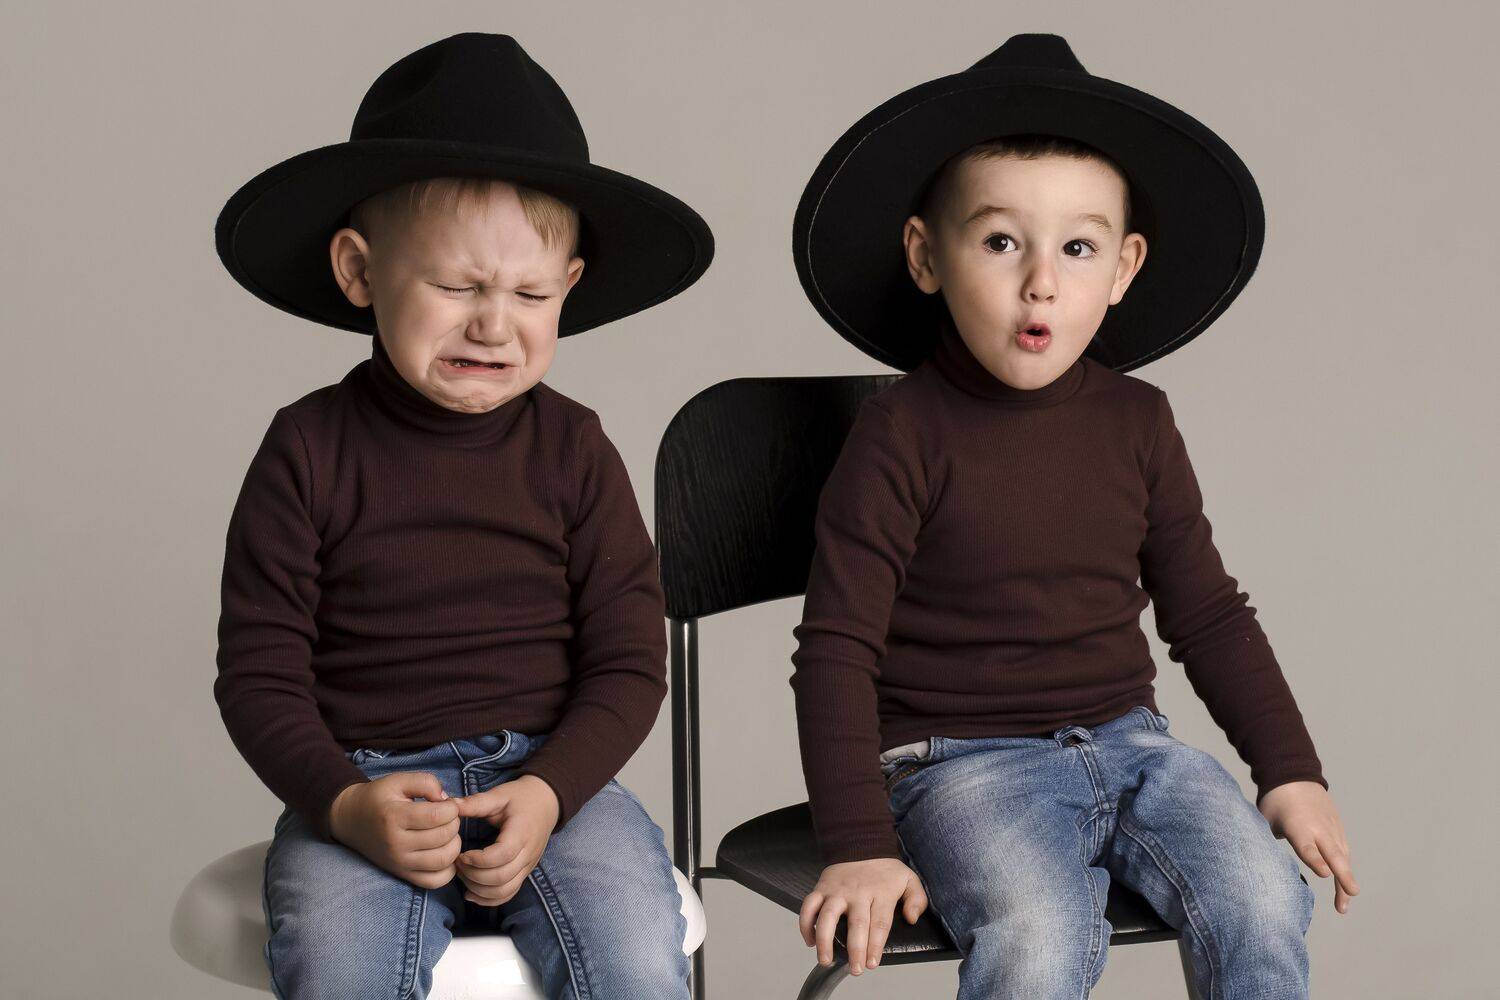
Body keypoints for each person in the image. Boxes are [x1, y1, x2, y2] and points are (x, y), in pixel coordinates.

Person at [787, 33, 1357, 999]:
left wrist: (1290, 770)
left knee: (1263, 894)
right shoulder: (900, 435)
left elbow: (1208, 613)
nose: (1041, 281)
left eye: (1078, 248)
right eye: (1000, 242)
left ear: (1124, 267)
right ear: (926, 256)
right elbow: (837, 648)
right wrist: (857, 843)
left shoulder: (1138, 420)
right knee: (1041, 931)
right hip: (959, 766)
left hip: (1134, 745)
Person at [212, 32, 713, 999]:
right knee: (338, 962)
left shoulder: (574, 448)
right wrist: (342, 804)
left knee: (632, 951)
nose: (493, 323)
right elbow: (259, 674)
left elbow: (627, 660)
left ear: (569, 290)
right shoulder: (306, 449)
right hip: (366, 785)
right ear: (360, 273)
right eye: (454, 286)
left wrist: (554, 790)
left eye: (530, 293)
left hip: (553, 780)